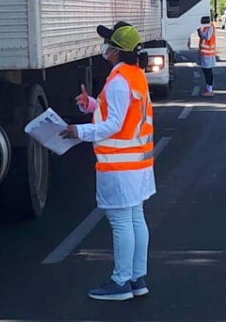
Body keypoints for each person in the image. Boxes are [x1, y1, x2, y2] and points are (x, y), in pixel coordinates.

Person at [60, 22, 156, 302]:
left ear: (116, 50)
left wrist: (80, 131)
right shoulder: (135, 75)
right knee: (136, 218)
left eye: (108, 44)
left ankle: (121, 282)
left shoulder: (118, 80)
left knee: (121, 222)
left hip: (118, 165)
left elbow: (114, 124)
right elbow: (121, 113)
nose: (105, 48)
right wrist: (90, 104)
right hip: (137, 162)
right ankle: (138, 278)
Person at [197, 15, 217, 97]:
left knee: (208, 71)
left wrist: (200, 31)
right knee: (206, 71)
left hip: (208, 53)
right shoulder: (205, 26)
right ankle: (208, 88)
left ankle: (209, 89)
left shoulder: (210, 26)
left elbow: (207, 37)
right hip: (205, 52)